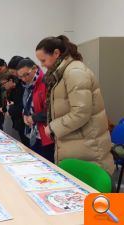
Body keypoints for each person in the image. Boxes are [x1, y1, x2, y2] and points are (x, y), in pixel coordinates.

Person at [35, 35, 115, 174]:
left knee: (91, 192)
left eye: (43, 60)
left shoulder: (74, 72)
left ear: (56, 53)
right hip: (78, 144)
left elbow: (81, 112)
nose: (42, 65)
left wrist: (53, 127)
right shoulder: (62, 73)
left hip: (89, 148)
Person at [16, 58, 55, 162]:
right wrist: (24, 114)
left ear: (34, 68)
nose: (24, 79)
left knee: (47, 166)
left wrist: (34, 117)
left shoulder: (45, 82)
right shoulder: (28, 86)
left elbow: (52, 110)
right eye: (20, 77)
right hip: (33, 133)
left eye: (26, 74)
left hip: (46, 135)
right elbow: (27, 105)